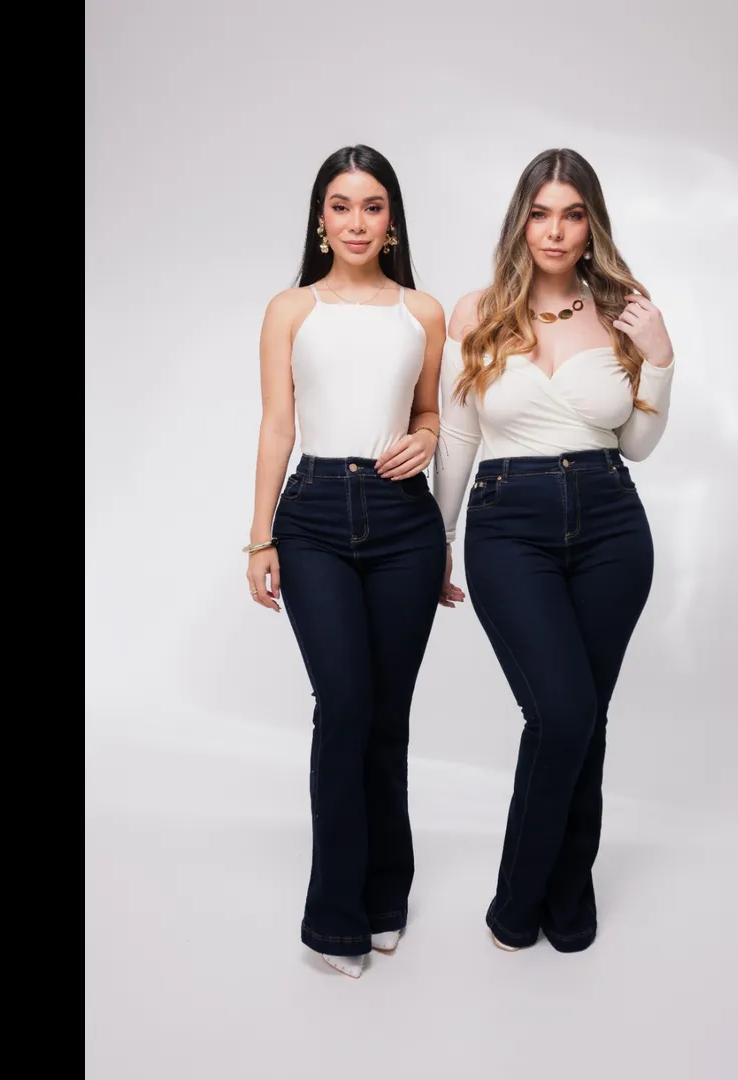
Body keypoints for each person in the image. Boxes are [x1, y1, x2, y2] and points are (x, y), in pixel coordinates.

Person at [434, 148, 676, 954]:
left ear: (591, 224)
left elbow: (636, 443)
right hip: (509, 525)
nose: (556, 230)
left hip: (611, 522)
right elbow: (459, 436)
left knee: (585, 720)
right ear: (521, 221)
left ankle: (568, 896)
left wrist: (661, 361)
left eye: (572, 214)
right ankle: (519, 901)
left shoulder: (621, 311)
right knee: (562, 710)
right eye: (541, 213)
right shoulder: (476, 312)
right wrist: (440, 540)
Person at [245, 145, 447, 979]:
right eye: (340, 205)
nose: (356, 222)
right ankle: (335, 920)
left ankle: (386, 896)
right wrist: (260, 536)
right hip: (315, 519)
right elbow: (277, 424)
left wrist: (426, 439)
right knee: (346, 705)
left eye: (372, 206)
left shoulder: (422, 311)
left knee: (387, 715)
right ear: (320, 220)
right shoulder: (291, 309)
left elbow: (431, 412)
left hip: (405, 522)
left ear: (391, 220)